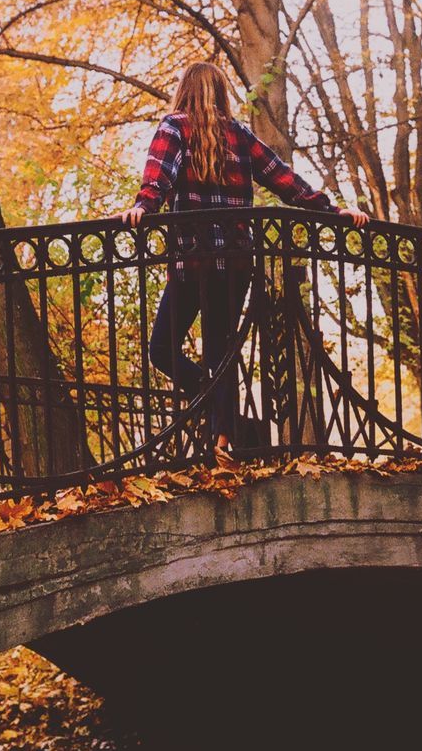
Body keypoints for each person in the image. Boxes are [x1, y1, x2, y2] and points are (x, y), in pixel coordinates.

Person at [121, 60, 369, 458]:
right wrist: (328, 210)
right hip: (235, 263)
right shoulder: (238, 134)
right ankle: (227, 428)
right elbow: (284, 179)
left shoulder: (174, 127)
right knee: (219, 352)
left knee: (163, 350)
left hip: (193, 261)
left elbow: (158, 177)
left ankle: (224, 428)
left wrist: (143, 208)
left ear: (184, 90)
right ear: (221, 93)